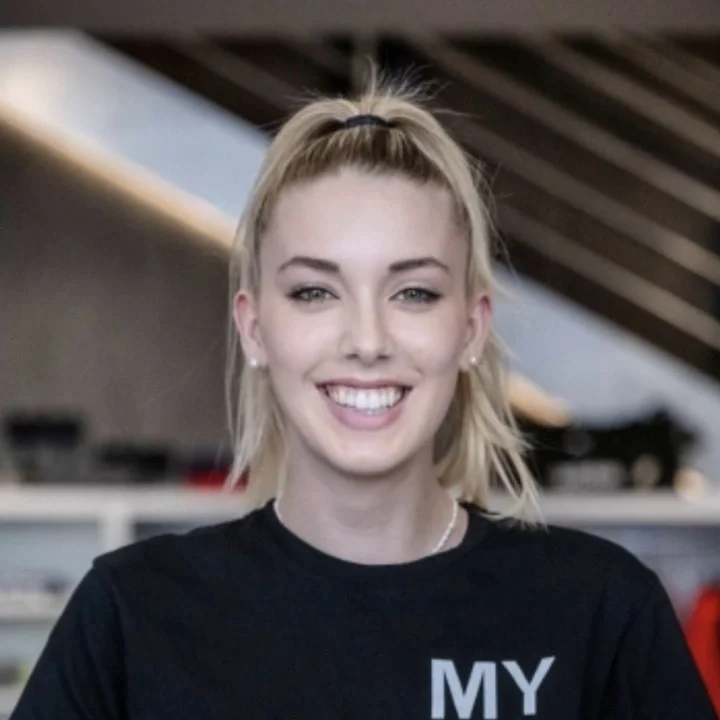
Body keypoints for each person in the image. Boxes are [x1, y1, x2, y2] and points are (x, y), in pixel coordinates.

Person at [10, 76, 716, 720]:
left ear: (471, 329)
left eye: (414, 292)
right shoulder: (131, 614)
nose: (368, 340)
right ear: (255, 329)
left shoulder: (602, 612)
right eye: (315, 291)